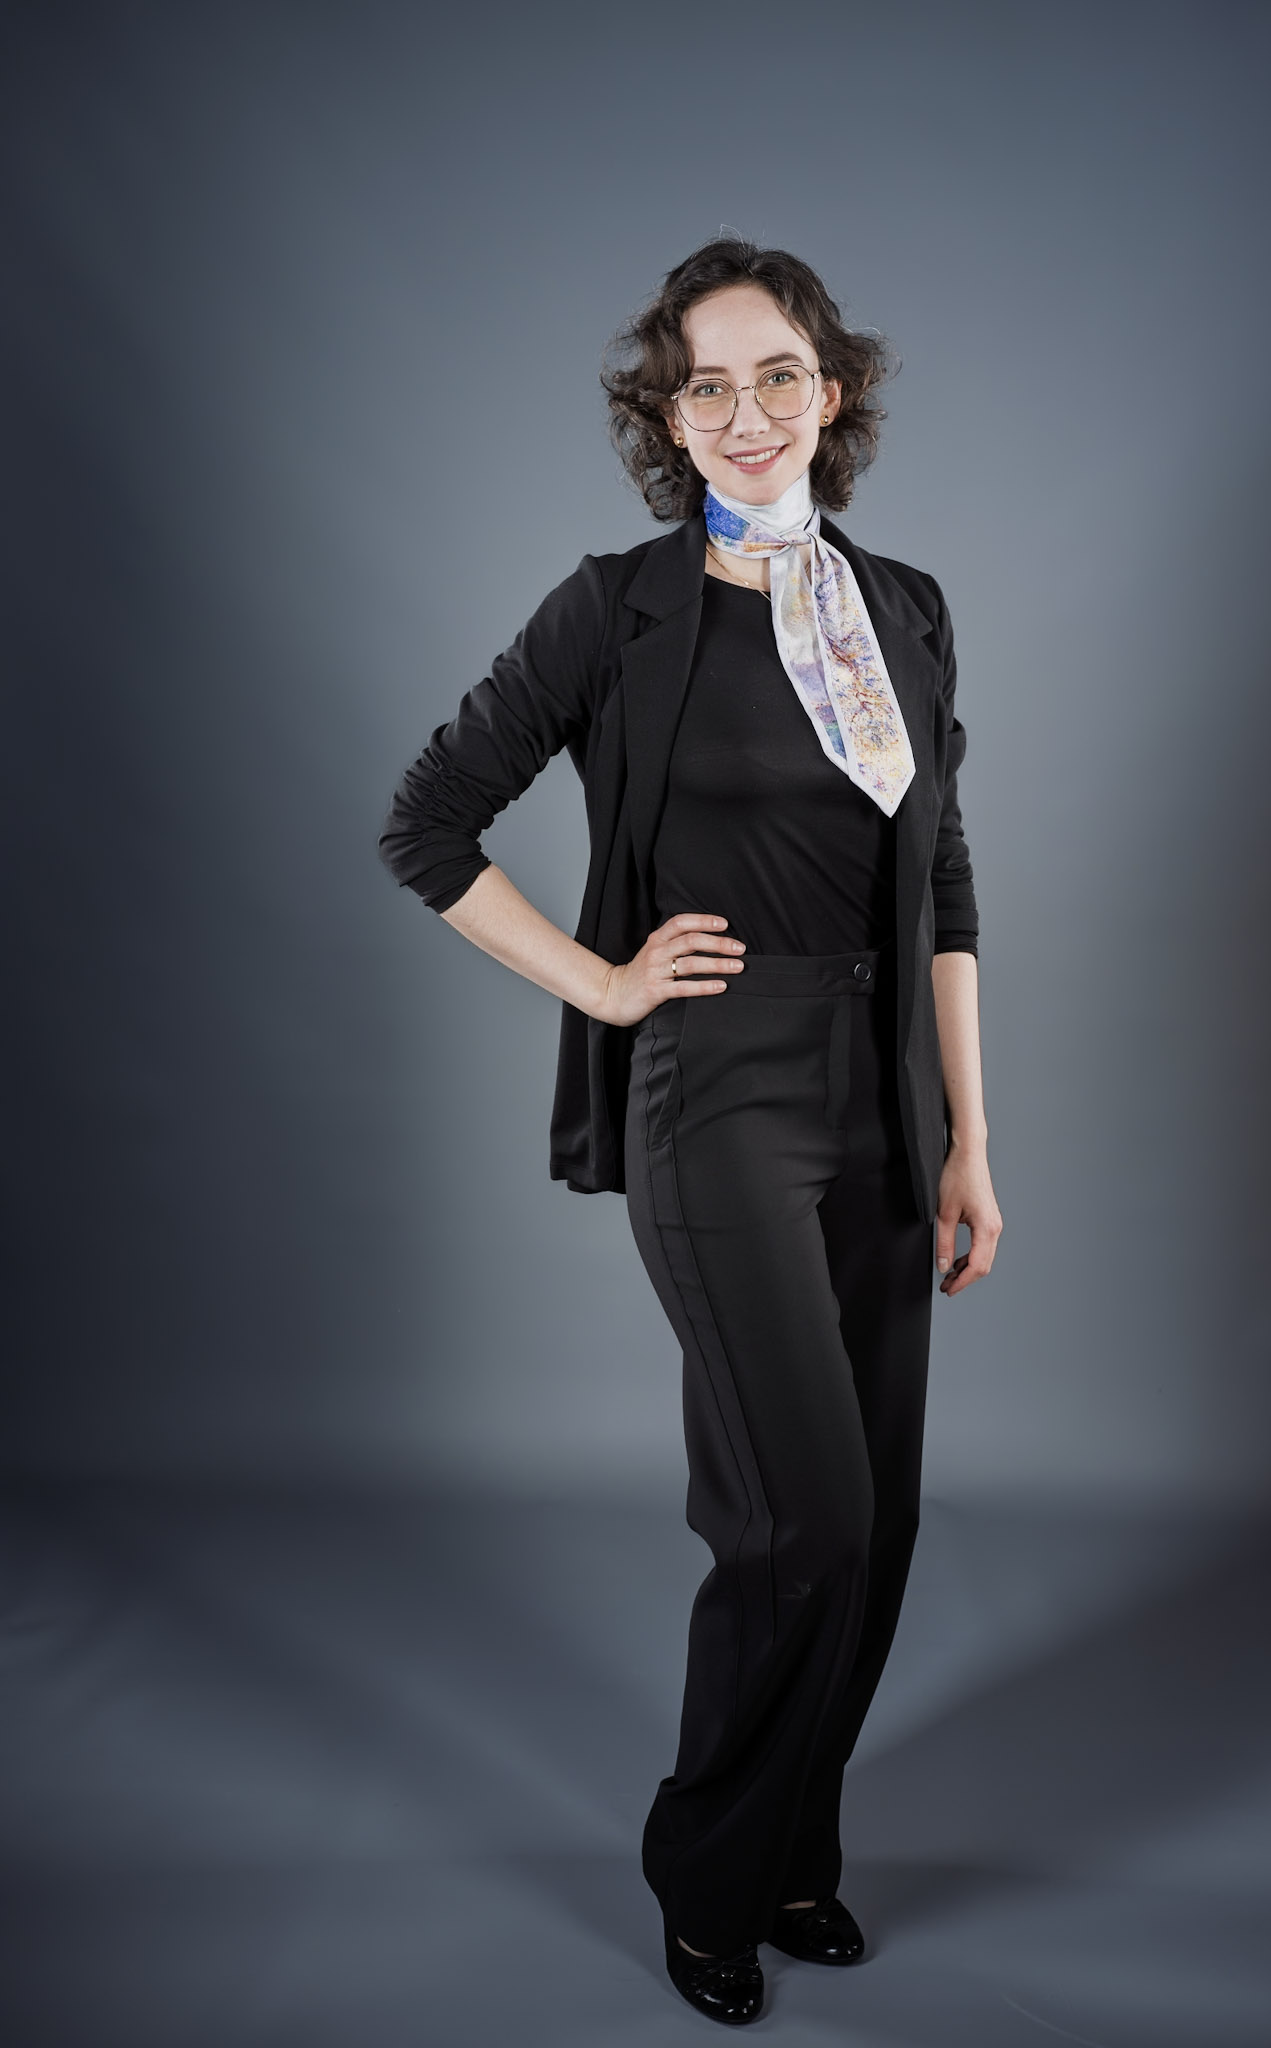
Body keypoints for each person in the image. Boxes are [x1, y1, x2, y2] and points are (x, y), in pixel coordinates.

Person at [379, 237, 1002, 2027]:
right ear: (668, 419)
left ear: (833, 391)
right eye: (704, 386)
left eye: (777, 374)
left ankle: (793, 1854)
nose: (745, 413)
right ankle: (707, 1872)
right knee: (801, 1521)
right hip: (716, 1089)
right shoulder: (616, 610)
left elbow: (944, 877)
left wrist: (970, 1138)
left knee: (879, 1528)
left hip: (883, 1091)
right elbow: (427, 826)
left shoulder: (906, 607)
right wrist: (601, 982)